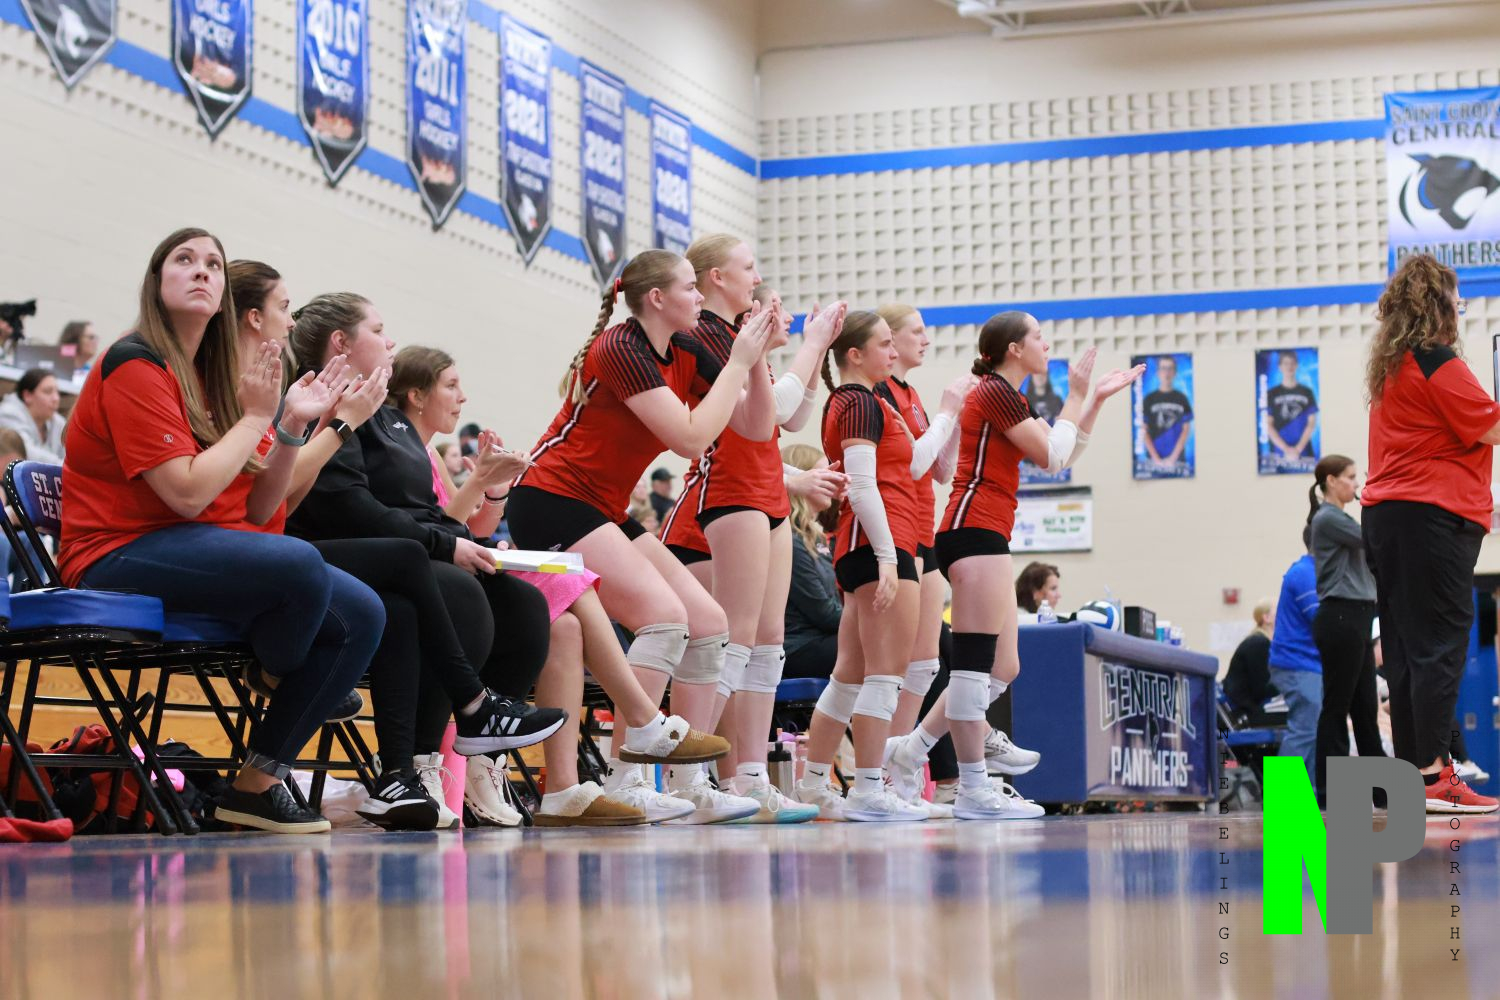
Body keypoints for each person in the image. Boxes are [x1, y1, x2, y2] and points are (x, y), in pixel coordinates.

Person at [59, 227, 385, 834]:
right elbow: (186, 494)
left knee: (363, 613)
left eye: (213, 262)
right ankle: (277, 665)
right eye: (184, 260)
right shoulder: (136, 361)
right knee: (300, 566)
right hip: (114, 551)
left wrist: (292, 426)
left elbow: (260, 509)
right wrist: (261, 416)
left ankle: (255, 786)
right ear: (157, 282)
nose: (202, 270)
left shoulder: (212, 374)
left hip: (188, 547)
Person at [229, 264, 568, 831]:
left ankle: (478, 760)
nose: (391, 342)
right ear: (342, 343)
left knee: (523, 604)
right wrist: (445, 542)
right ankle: (429, 753)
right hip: (326, 550)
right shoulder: (317, 403)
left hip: (389, 554)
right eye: (379, 330)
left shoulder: (390, 421)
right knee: (443, 590)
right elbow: (343, 505)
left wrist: (465, 523)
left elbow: (426, 512)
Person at [509, 248, 769, 823]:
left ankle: (690, 783)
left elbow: (756, 426)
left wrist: (755, 360)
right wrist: (739, 361)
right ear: (656, 298)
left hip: (602, 505)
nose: (699, 296)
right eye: (689, 287)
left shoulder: (686, 349)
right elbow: (691, 438)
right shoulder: (621, 347)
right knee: (663, 617)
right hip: (552, 499)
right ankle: (624, 779)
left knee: (709, 623)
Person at [881, 311, 1141, 821]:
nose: (1047, 345)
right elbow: (1050, 454)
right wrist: (1078, 394)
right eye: (1039, 337)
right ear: (1015, 349)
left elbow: (1061, 455)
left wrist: (1093, 400)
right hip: (973, 529)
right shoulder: (996, 391)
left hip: (987, 532)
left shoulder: (1009, 395)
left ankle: (910, 751)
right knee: (974, 667)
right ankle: (973, 786)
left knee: (1004, 666)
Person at [400, 346, 654, 827]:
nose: (462, 396)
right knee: (570, 580)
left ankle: (556, 785)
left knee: (567, 630)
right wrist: (478, 480)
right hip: (434, 585)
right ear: (416, 395)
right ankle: (641, 717)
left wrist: (494, 491)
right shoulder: (399, 449)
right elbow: (437, 534)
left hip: (459, 573)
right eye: (451, 386)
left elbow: (465, 529)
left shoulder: (428, 452)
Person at [654, 239, 844, 824]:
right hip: (726, 489)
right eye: (749, 267)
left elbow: (788, 416)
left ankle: (751, 776)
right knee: (729, 639)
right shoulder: (707, 335)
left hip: (765, 490)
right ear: (717, 276)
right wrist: (811, 345)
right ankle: (689, 776)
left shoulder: (742, 338)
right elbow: (765, 415)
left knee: (767, 641)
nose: (758, 277)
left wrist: (811, 349)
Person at [1361, 253, 1498, 813]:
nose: (1460, 310)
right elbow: (1490, 426)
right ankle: (1433, 775)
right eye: (1457, 301)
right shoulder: (1438, 361)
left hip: (1387, 516)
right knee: (1440, 645)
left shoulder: (1392, 367)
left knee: (1405, 649)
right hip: (1430, 516)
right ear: (1440, 305)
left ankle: (1418, 776)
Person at [791, 310, 929, 823]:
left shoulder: (862, 400)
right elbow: (865, 485)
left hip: (868, 542)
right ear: (855, 354)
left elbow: (913, 466)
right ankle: (869, 789)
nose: (893, 352)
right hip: (877, 541)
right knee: (885, 673)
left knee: (849, 675)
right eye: (885, 344)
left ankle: (813, 783)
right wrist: (890, 557)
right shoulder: (857, 401)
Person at [874, 304, 970, 777]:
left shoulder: (911, 395)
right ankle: (878, 771)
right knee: (891, 667)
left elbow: (941, 470)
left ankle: (900, 767)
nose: (926, 339)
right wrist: (947, 412)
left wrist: (956, 418)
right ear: (889, 339)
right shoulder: (878, 392)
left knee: (926, 665)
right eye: (917, 331)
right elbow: (912, 463)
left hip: (922, 528)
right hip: (895, 532)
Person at [1307, 453, 1385, 804]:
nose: (1356, 484)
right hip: (1341, 616)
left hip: (1356, 617)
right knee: (1337, 707)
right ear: (1331, 481)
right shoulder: (1328, 517)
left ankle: (1380, 791)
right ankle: (1330, 790)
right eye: (1351, 477)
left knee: (1365, 708)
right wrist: (1375, 496)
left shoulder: (1338, 518)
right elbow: (1372, 537)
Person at [782, 443, 840, 680]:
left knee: (926, 641)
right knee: (885, 644)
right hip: (799, 646)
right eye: (824, 475)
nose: (832, 482)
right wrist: (871, 622)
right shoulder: (791, 540)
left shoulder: (814, 537)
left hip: (821, 638)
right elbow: (822, 613)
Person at [1267, 532, 1321, 783]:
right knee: (1304, 730)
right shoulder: (1305, 573)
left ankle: (1305, 797)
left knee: (1312, 732)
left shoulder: (1310, 572)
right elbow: (1320, 621)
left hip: (1306, 663)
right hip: (1298, 664)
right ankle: (1285, 799)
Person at [1222, 600, 1278, 726]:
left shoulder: (1261, 641)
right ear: (1266, 618)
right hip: (1240, 714)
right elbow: (1260, 688)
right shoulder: (1259, 643)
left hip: (1244, 707)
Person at [0, 368, 66, 466]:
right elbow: (25, 453)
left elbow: (69, 456)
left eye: (57, 392)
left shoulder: (58, 421)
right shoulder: (8, 414)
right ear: (27, 396)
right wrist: (63, 467)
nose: (56, 398)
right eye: (48, 392)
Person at [1265, 351, 1318, 462]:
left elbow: (1312, 423)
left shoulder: (1307, 392)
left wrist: (1298, 449)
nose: (1289, 366)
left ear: (1297, 365)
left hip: (1304, 451)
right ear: (1280, 367)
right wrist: (1286, 449)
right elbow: (1268, 425)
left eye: (1292, 363)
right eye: (1285, 363)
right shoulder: (1271, 394)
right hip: (1279, 452)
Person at [1141, 355, 1192, 470]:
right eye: (1163, 368)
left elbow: (1186, 429)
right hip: (1153, 461)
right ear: (1158, 372)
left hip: (1177, 460)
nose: (1167, 372)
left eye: (1170, 368)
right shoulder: (1149, 400)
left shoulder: (1182, 399)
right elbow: (1143, 430)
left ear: (1175, 372)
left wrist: (1173, 458)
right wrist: (1156, 459)